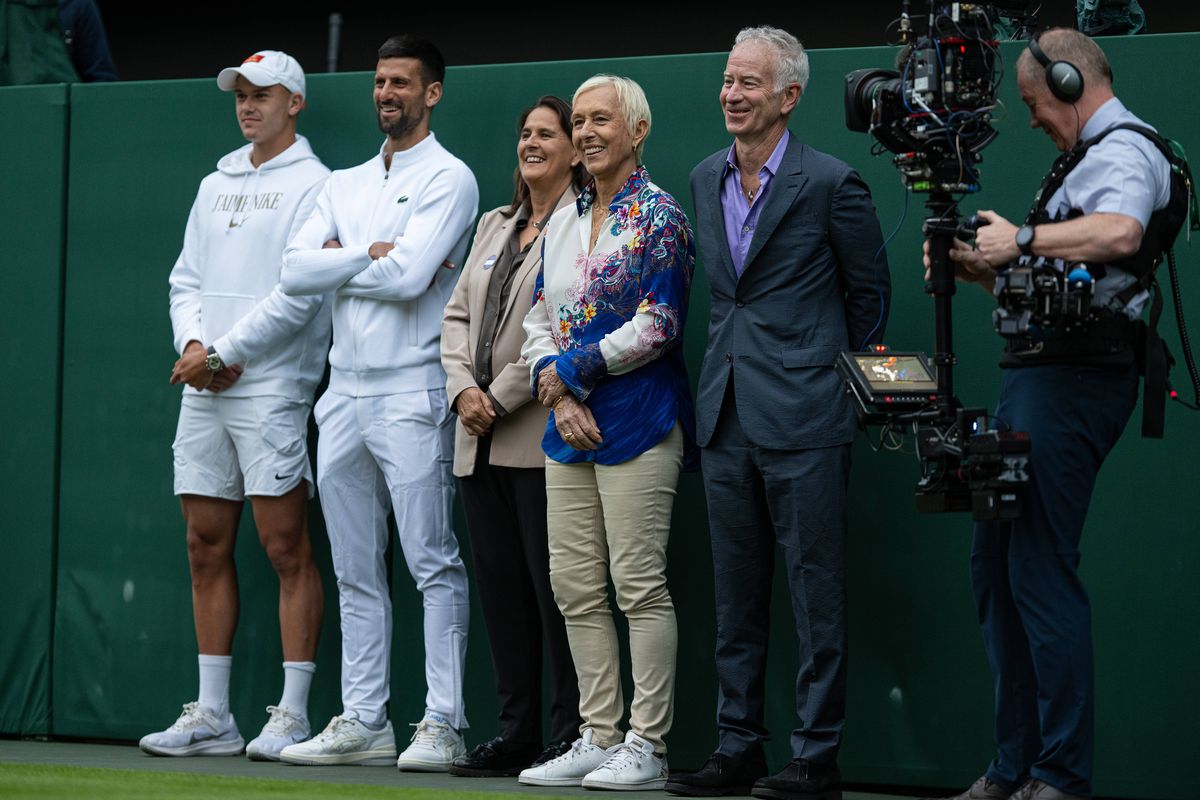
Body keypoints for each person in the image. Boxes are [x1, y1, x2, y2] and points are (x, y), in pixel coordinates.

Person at [923, 28, 1178, 800]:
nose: (1032, 119)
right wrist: (979, 268)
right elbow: (1050, 288)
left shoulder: (1126, 151)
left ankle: (1058, 777)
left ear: (1070, 82)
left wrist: (1023, 237)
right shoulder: (1081, 160)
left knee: (1037, 566)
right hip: (1037, 374)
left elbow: (1123, 231)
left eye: (1035, 102)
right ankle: (1014, 768)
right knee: (997, 570)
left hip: (1073, 383)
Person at [666, 26, 889, 800]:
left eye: (749, 83)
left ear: (789, 97)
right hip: (725, 415)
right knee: (737, 594)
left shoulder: (832, 183)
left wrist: (834, 393)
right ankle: (738, 748)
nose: (731, 93)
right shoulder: (702, 177)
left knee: (815, 592)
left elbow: (870, 299)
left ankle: (816, 757)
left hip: (808, 420)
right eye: (728, 80)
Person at [276, 35, 479, 770]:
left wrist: (344, 265)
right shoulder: (342, 182)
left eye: (402, 82)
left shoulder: (451, 178)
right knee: (355, 566)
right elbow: (295, 270)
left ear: (432, 93)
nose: (385, 92)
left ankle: (444, 722)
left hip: (412, 389)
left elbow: (412, 278)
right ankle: (365, 720)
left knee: (432, 561)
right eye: (379, 81)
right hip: (343, 393)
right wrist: (369, 254)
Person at [142, 49, 331, 761]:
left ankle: (292, 713)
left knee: (285, 548)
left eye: (263, 94)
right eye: (241, 95)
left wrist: (223, 355)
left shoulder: (318, 186)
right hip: (205, 385)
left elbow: (299, 292)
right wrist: (198, 347)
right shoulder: (213, 182)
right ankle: (214, 715)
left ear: (295, 103)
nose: (249, 105)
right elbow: (184, 279)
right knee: (204, 545)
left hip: (273, 386)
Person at [516, 74, 696, 792]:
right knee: (575, 587)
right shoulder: (561, 217)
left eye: (601, 120)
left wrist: (574, 373)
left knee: (638, 586)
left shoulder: (661, 216)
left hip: (642, 421)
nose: (587, 132)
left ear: (637, 129)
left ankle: (647, 745)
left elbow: (660, 322)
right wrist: (556, 395)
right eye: (580, 120)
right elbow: (537, 322)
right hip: (567, 427)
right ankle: (598, 735)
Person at [440, 95, 587, 777]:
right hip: (475, 439)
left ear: (574, 151)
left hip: (535, 436)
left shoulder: (582, 227)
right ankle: (517, 731)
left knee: (550, 592)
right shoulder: (493, 224)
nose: (530, 143)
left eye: (546, 134)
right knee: (500, 592)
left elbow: (562, 329)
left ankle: (568, 732)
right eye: (524, 133)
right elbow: (455, 320)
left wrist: (495, 397)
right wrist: (461, 392)